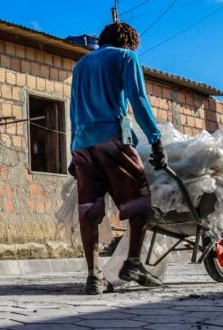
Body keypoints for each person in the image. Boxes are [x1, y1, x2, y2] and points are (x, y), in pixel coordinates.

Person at [69, 21, 168, 295]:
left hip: (82, 145)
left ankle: (93, 276)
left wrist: (71, 150)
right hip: (112, 139)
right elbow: (138, 99)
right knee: (141, 202)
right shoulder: (127, 57)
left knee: (89, 212)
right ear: (129, 43)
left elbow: (74, 108)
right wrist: (155, 138)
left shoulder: (81, 65)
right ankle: (133, 264)